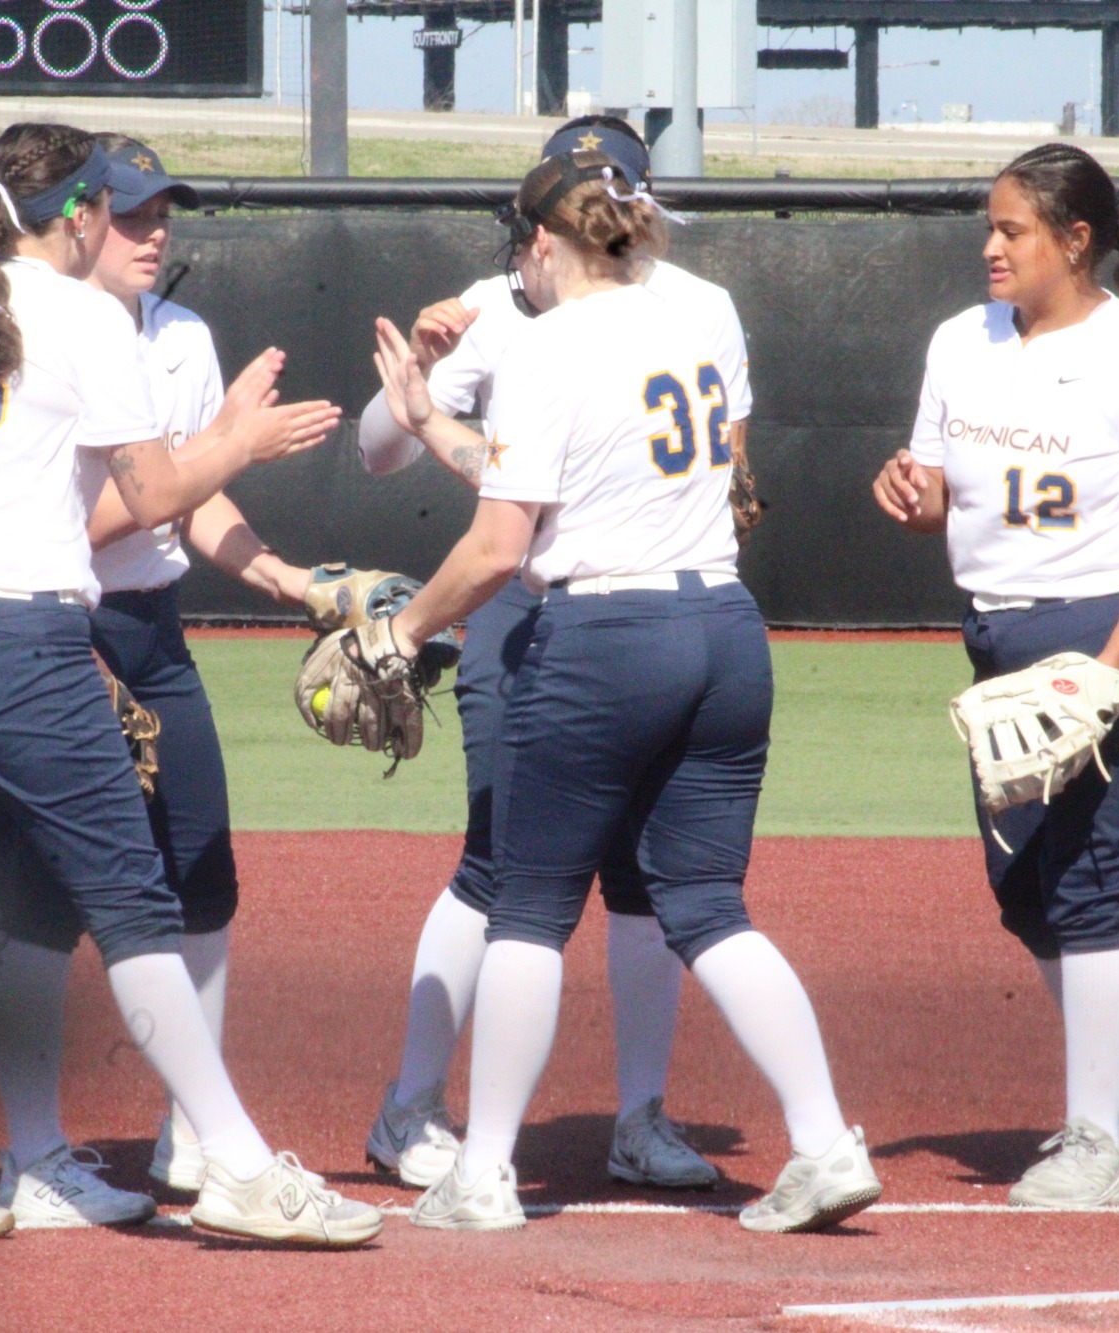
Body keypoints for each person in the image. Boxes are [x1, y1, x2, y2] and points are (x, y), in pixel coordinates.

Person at [0, 121, 381, 1247]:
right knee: (132, 902)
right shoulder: (81, 314)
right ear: (76, 215)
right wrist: (239, 438)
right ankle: (232, 1165)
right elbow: (162, 482)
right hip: (16, 644)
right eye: (105, 207)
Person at [368, 148, 883, 1234]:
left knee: (527, 907)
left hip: (606, 636)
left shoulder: (550, 346)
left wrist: (403, 628)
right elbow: (560, 477)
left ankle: (485, 1174)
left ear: (546, 245)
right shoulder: (685, 328)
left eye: (525, 248)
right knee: (705, 906)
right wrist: (426, 421)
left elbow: (501, 546)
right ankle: (826, 1140)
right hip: (724, 633)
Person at [357, 116, 754, 1192]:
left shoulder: (699, 305)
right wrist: (430, 383)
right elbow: (379, 447)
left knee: (636, 882)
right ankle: (411, 1106)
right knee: (498, 865)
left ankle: (638, 1115)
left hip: (646, 611)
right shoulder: (501, 304)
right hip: (531, 609)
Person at [0, 135, 333, 1227]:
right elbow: (81, 519)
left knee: (202, 876)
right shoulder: (40, 332)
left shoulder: (179, 338)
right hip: (57, 629)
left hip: (152, 634)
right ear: (79, 221)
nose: (152, 230)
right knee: (44, 903)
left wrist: (282, 577)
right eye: (131, 214)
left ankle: (193, 1132)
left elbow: (191, 505)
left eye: (163, 212)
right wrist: (224, 446)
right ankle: (29, 1145)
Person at [872, 142, 1119, 1209]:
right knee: (1025, 892)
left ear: (1074, 241)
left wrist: (1105, 673)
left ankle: (1092, 1145)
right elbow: (941, 493)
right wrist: (910, 491)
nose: (989, 247)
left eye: (1011, 228)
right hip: (1001, 643)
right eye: (987, 225)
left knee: (1090, 881)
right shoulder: (958, 344)